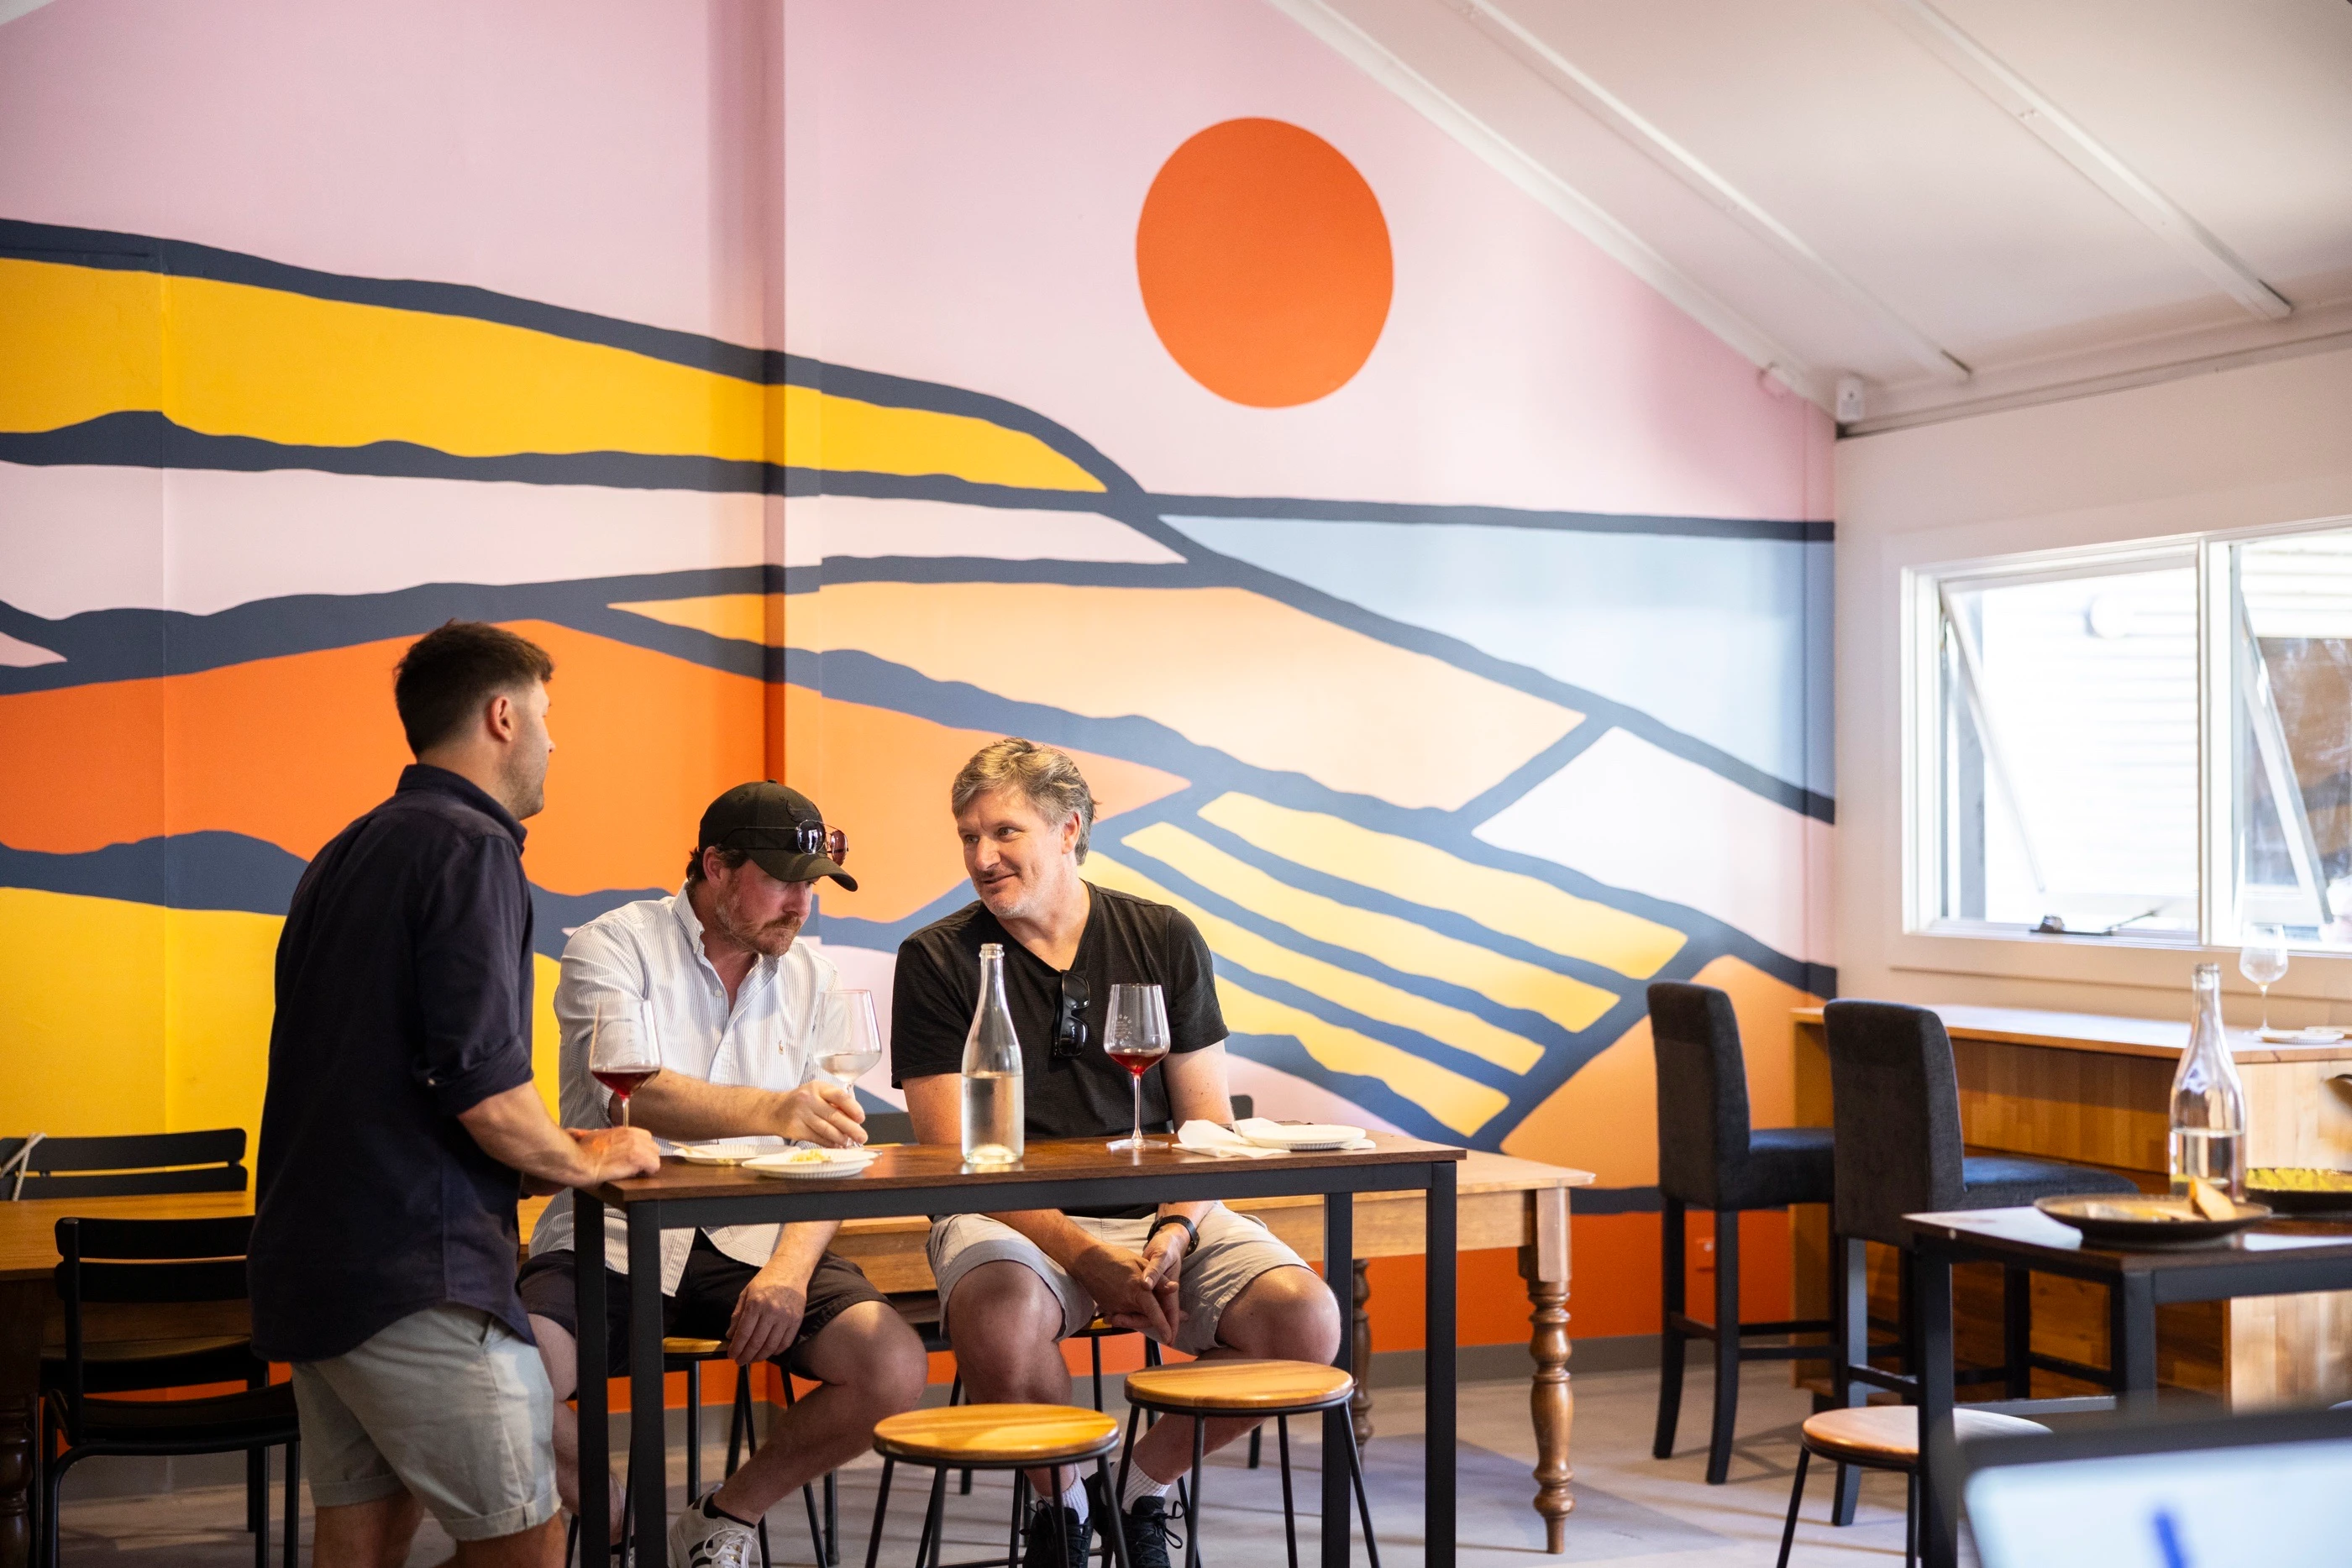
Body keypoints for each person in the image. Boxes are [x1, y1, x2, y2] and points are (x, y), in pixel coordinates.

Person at [250, 621, 663, 1568]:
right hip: (418, 1276)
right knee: (529, 1541)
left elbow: (385, 1074)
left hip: (315, 1267)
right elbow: (483, 1088)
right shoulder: (472, 848)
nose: (555, 741)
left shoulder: (346, 850)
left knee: (363, 1536)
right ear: (503, 715)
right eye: (548, 717)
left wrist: (549, 1149)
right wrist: (591, 1152)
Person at [892, 739, 1341, 1568]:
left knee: (1305, 1318)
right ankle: (1061, 1505)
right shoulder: (937, 957)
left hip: (1161, 1209)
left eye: (1004, 832)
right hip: (1010, 1215)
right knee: (999, 1314)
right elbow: (955, 1156)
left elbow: (1205, 1126)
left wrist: (1174, 1231)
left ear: (1068, 829)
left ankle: (1138, 1483)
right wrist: (1086, 1255)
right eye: (968, 836)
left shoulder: (1162, 935)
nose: (982, 858)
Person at [519, 781, 928, 1568]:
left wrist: (790, 1269)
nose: (801, 905)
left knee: (892, 1365)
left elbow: (831, 1152)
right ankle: (610, 1506)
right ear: (715, 865)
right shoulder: (611, 945)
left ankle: (721, 1518)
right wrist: (776, 1109)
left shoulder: (812, 976)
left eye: (812, 885)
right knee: (516, 1370)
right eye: (782, 881)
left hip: (758, 1237)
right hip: (612, 1233)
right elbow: (633, 1092)